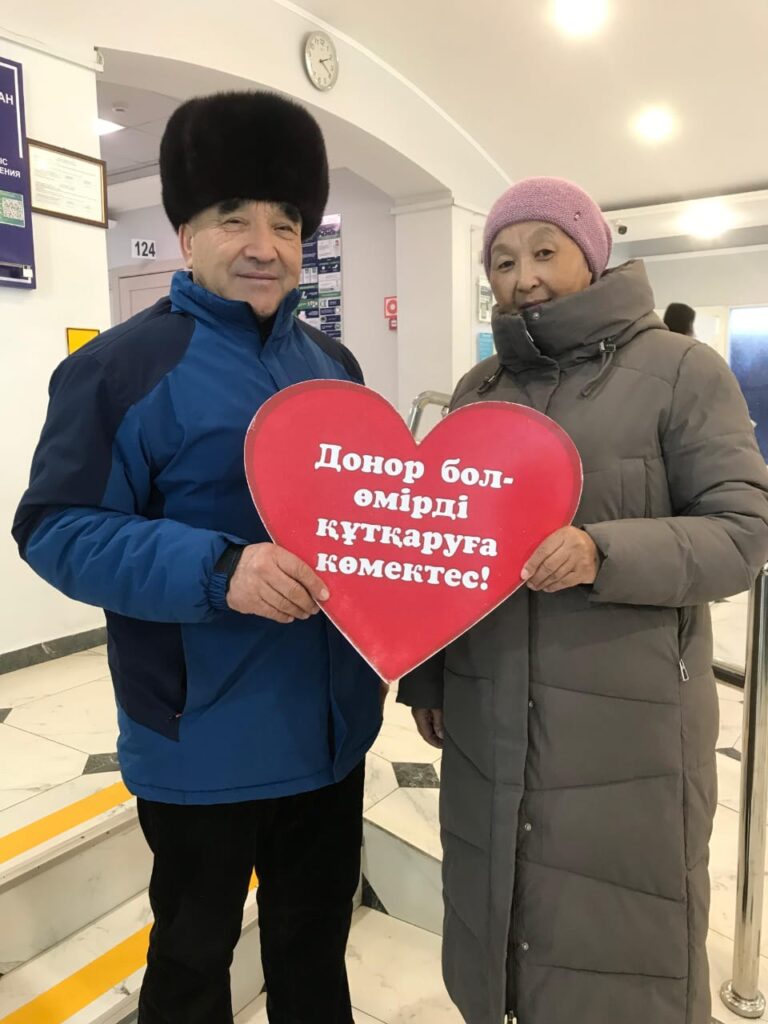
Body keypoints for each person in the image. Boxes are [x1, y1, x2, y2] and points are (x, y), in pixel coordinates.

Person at [13, 91, 381, 1024]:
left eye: (285, 222)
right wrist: (223, 571)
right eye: (233, 218)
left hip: (329, 734)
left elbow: (364, 523)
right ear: (185, 234)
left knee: (314, 950)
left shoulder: (335, 367)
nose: (264, 244)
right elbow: (55, 528)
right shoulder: (119, 369)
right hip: (199, 737)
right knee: (191, 958)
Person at [398, 176, 768, 1024]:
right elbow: (446, 548)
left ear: (592, 255)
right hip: (489, 704)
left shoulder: (681, 372)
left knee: (618, 930)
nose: (523, 277)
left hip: (627, 718)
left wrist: (604, 552)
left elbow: (744, 529)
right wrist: (429, 677)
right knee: (497, 914)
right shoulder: (478, 387)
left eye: (544, 251)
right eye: (502, 261)